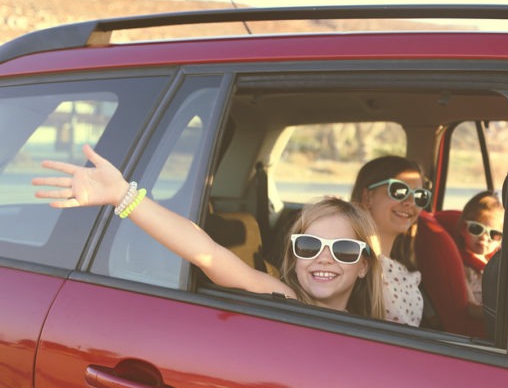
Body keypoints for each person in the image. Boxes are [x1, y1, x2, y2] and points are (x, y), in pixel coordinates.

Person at [32, 144, 386, 318]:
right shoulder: (285, 298)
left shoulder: (374, 322)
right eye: (309, 245)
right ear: (294, 256)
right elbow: (207, 253)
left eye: (344, 250)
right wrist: (124, 196)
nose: (324, 258)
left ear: (364, 264)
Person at [351, 155, 430, 326]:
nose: (410, 202)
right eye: (399, 191)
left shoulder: (402, 269)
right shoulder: (351, 264)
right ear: (367, 198)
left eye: (419, 196)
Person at [457, 191, 504, 319]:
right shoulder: (462, 267)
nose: (484, 238)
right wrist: (503, 315)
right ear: (463, 228)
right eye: (476, 229)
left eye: (494, 234)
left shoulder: (497, 263)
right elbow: (471, 308)